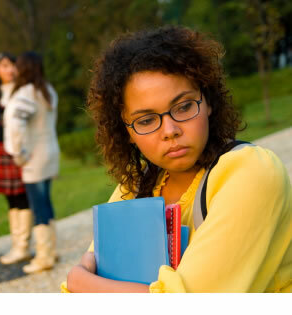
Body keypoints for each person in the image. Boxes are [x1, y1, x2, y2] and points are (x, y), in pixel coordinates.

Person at [63, 25, 292, 293]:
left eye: (183, 107)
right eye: (146, 120)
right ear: (126, 131)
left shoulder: (251, 172)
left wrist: (81, 282)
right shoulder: (136, 187)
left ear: (207, 101)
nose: (170, 131)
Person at [8, 52, 60, 273]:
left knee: (38, 206)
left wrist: (19, 154)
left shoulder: (25, 94)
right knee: (45, 203)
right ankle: (50, 250)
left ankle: (43, 257)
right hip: (50, 153)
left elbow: (15, 127)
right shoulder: (47, 90)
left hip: (34, 158)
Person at [0, 52, 32, 264]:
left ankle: (23, 246)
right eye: (4, 65)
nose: (9, 70)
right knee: (10, 198)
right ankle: (16, 244)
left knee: (22, 196)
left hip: (20, 150)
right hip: (0, 149)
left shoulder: (24, 91)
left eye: (12, 64)